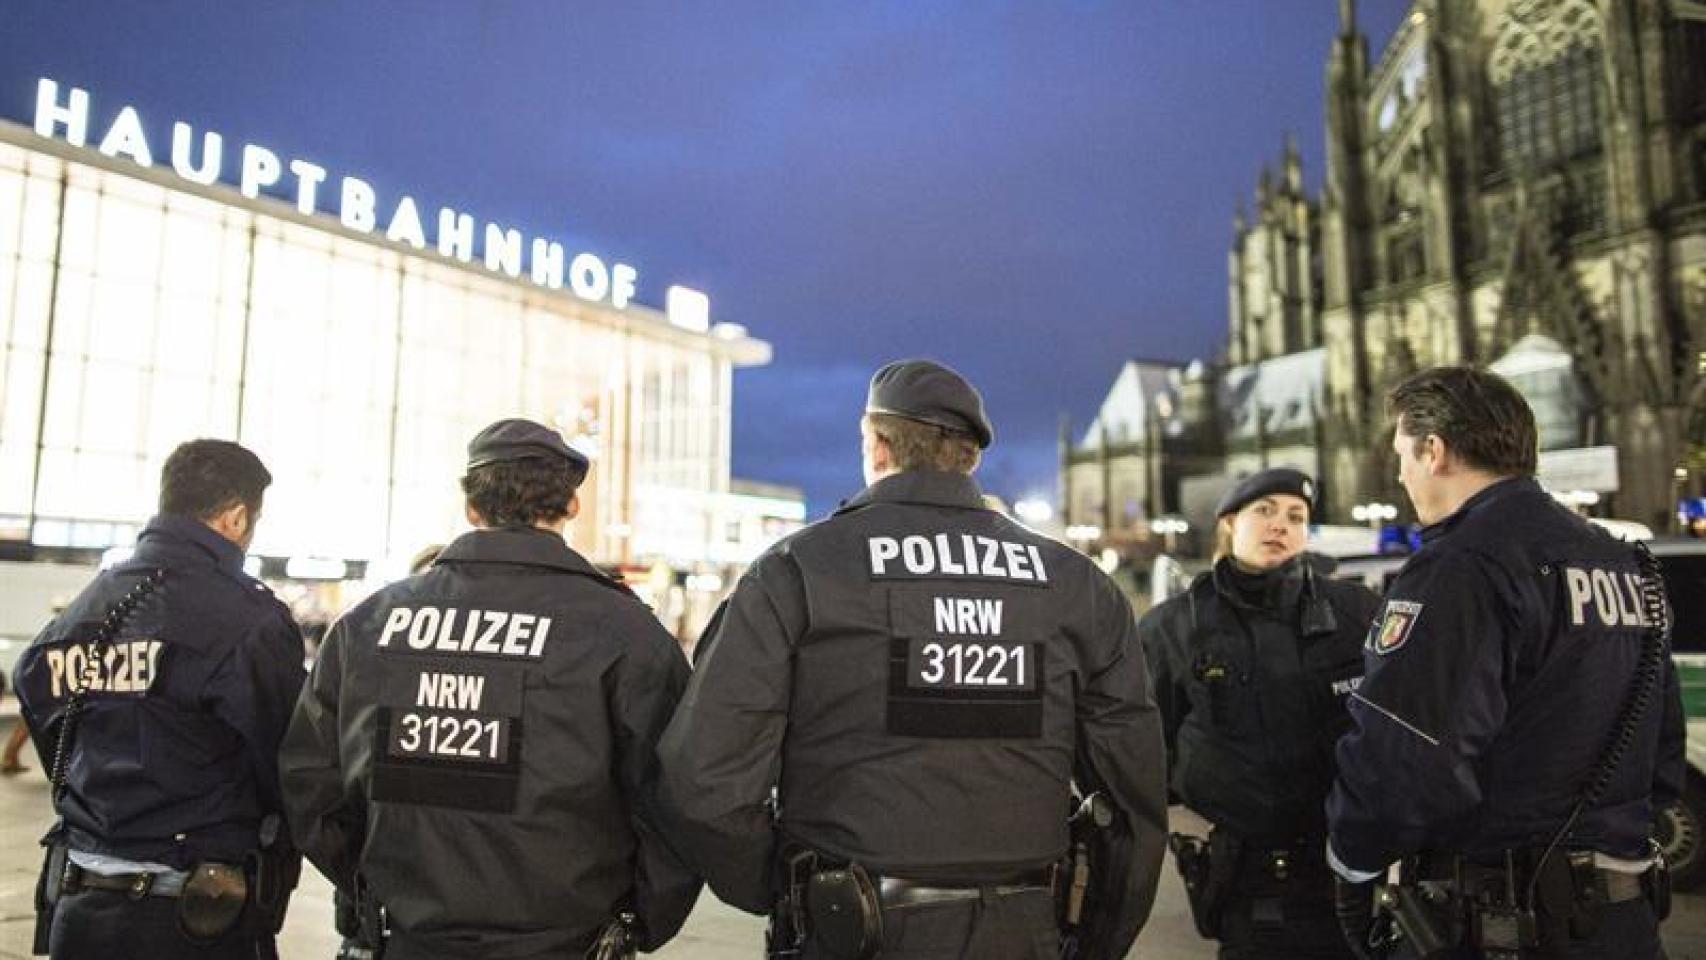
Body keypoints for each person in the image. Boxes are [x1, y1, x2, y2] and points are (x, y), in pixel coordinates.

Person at [657, 359, 1169, 960]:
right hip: (1024, 928)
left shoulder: (798, 571)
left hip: (851, 930)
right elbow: (1133, 793)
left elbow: (704, 780)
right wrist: (1096, 936)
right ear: (970, 458)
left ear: (877, 446)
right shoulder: (1077, 585)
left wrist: (783, 886)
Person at [279, 418, 700, 959]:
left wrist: (376, 886)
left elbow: (310, 780)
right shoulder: (624, 633)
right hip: (565, 939)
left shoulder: (370, 625)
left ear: (472, 508)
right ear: (571, 506)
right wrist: (635, 918)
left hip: (408, 935)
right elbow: (677, 796)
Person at [1326, 366, 1685, 959]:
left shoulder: (1463, 565)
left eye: (1403, 455)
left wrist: (1352, 859)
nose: (1400, 474)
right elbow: (1662, 759)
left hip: (1503, 920)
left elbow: (1407, 760)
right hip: (1624, 919)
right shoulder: (1626, 562)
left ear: (1434, 450)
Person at [13, 438, 306, 959]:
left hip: (80, 905)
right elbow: (288, 760)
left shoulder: (88, 608)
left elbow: (36, 694)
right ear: (236, 517)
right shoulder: (247, 620)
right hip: (193, 919)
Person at [1140, 468, 1379, 959]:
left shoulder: (1356, 614)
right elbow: (1149, 751)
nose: (1280, 525)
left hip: (1349, 872)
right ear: (1230, 523)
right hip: (1247, 882)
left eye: (1296, 516)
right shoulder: (1175, 628)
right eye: (1264, 511)